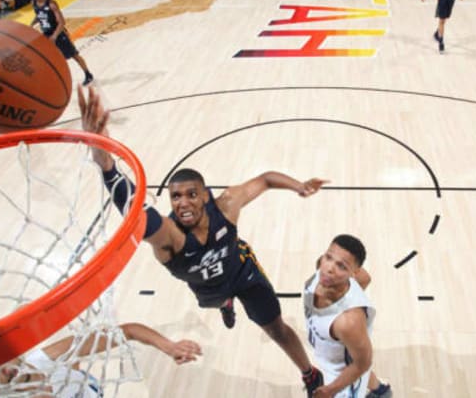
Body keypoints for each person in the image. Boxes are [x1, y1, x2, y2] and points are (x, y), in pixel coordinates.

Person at [77, 85, 328, 397]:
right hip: (207, 289)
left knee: (275, 327)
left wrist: (299, 186)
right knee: (215, 300)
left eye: (191, 194)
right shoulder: (170, 236)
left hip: (243, 272)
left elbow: (265, 179)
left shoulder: (227, 206)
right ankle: (225, 303)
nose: (183, 202)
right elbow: (134, 209)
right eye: (176, 196)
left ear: (205, 195)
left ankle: (309, 374)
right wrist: (104, 161)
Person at [0, 322, 202, 397]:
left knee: (73, 353)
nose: (2, 370)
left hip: (89, 387)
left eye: (0, 362)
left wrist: (169, 346)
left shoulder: (45, 358)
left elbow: (128, 331)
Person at [304, 234, 391, 398]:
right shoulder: (321, 271)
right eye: (328, 257)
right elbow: (365, 278)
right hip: (335, 355)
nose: (329, 268)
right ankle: (381, 391)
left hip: (340, 384)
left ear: (353, 272)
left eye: (342, 266)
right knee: (353, 353)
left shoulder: (348, 322)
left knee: (356, 359)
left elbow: (363, 363)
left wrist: (329, 391)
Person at [31, 0, 94, 85]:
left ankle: (88, 74)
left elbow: (62, 22)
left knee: (74, 55)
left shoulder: (51, 4)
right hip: (47, 35)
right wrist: (31, 24)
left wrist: (55, 36)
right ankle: (58, 81)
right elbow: (38, 14)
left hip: (58, 34)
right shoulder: (34, 3)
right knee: (51, 60)